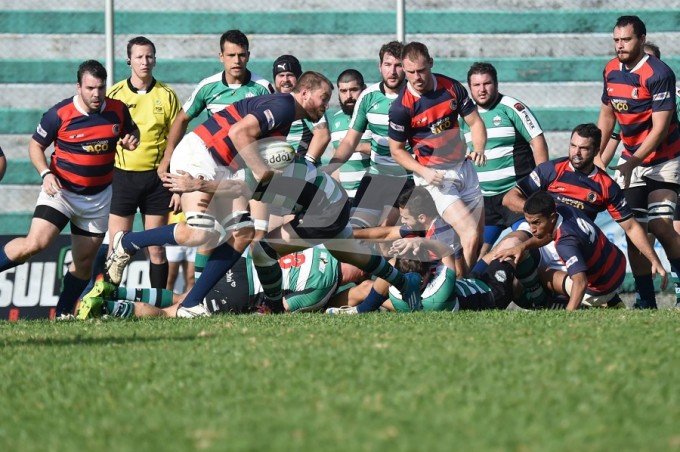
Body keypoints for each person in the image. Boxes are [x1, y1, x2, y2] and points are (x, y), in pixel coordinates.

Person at [83, 72, 421, 318]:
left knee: (253, 241)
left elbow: (244, 181)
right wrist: (236, 178)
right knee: (213, 234)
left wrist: (209, 184)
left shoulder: (275, 147)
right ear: (305, 93)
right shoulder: (283, 113)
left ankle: (199, 304)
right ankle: (131, 246)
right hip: (205, 156)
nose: (326, 105)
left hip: (317, 206)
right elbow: (239, 133)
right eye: (323, 98)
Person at [0, 60, 139, 319]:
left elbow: (131, 132)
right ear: (78, 87)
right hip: (61, 192)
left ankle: (63, 313)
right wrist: (46, 173)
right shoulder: (59, 114)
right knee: (35, 243)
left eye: (100, 87)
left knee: (84, 262)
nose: (96, 94)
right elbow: (35, 146)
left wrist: (133, 139)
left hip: (97, 199)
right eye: (90, 88)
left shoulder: (118, 110)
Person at [489, 123, 667, 307]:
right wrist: (540, 213)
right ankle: (475, 285)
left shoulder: (605, 185)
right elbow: (509, 199)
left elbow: (630, 227)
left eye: (583, 148)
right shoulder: (552, 169)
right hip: (543, 238)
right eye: (573, 146)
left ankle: (551, 305)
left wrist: (653, 259)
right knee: (512, 263)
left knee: (531, 281)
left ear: (597, 150)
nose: (576, 152)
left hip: (572, 248)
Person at [597, 15, 680, 309]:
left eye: (626, 40)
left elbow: (659, 130)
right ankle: (646, 299)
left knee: (658, 225)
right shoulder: (610, 69)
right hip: (631, 160)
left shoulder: (659, 73)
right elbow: (607, 116)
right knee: (634, 231)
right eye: (616, 40)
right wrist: (598, 152)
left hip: (664, 159)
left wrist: (633, 162)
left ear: (642, 39)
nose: (620, 45)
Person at [388, 41, 488, 274]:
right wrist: (424, 172)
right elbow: (397, 150)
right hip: (435, 178)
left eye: (421, 70)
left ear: (430, 63)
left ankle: (463, 281)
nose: (416, 77)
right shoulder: (401, 107)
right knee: (469, 233)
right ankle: (464, 288)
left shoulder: (451, 87)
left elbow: (475, 122)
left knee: (476, 239)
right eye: (410, 72)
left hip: (464, 168)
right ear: (403, 68)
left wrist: (479, 148)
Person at [79, 245, 367, 319]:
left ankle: (116, 289)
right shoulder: (326, 285)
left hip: (239, 266)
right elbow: (284, 308)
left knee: (183, 297)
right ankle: (106, 309)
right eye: (364, 271)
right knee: (174, 314)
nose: (363, 274)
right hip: (244, 290)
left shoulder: (320, 247)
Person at [105, 36, 181, 289]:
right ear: (129, 60)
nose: (144, 61)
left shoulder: (167, 96)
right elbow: (102, 135)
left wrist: (177, 183)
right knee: (116, 247)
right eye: (139, 56)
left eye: (149, 56)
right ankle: (106, 302)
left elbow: (177, 142)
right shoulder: (114, 95)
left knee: (156, 249)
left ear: (155, 60)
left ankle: (158, 306)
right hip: (123, 178)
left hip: (156, 180)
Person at [462, 62, 549, 257]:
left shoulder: (512, 107)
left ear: (496, 84)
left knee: (517, 245)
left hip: (516, 195)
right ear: (470, 88)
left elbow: (538, 142)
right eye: (476, 85)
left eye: (487, 83)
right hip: (483, 200)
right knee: (473, 254)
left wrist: (542, 185)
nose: (482, 89)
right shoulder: (464, 116)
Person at [325, 41, 412, 230]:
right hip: (376, 177)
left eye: (398, 65)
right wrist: (330, 168)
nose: (393, 71)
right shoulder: (368, 97)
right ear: (380, 66)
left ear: (406, 67)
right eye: (388, 65)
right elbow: (349, 140)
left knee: (385, 232)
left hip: (408, 178)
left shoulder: (415, 96)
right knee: (355, 233)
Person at [515, 191, 635, 311]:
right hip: (617, 267)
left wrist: (570, 315)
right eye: (529, 223)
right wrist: (523, 246)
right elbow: (549, 234)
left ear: (551, 218)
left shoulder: (565, 243)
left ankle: (548, 305)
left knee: (539, 272)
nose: (532, 229)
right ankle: (614, 302)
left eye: (536, 222)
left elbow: (581, 282)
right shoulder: (563, 208)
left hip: (600, 290)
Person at [272, 55, 330, 164]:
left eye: (290, 75)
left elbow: (322, 135)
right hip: (280, 169)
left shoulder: (307, 102)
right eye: (281, 75)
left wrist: (307, 165)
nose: (285, 80)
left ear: (299, 79)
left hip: (299, 171)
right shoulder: (272, 102)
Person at [328, 69, 372, 201]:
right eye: (343, 91)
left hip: (372, 194)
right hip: (345, 197)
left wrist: (357, 146)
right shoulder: (336, 119)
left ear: (364, 89)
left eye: (353, 89)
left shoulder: (374, 117)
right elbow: (337, 155)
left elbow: (391, 151)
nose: (349, 96)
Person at [165, 211, 196, 294]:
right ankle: (165, 304)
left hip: (193, 236)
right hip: (173, 237)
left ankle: (188, 305)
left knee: (191, 278)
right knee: (170, 278)